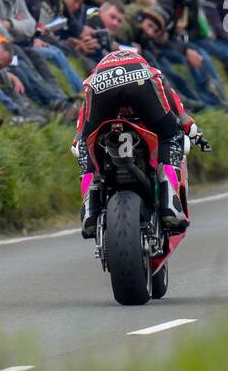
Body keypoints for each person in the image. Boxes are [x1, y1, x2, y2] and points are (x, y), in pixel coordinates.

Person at [71, 48, 205, 238]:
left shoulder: (98, 73)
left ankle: (89, 209)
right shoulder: (149, 69)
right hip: (140, 80)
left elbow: (84, 113)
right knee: (170, 136)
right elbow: (170, 96)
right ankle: (170, 204)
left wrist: (79, 139)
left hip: (100, 85)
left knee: (86, 145)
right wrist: (190, 127)